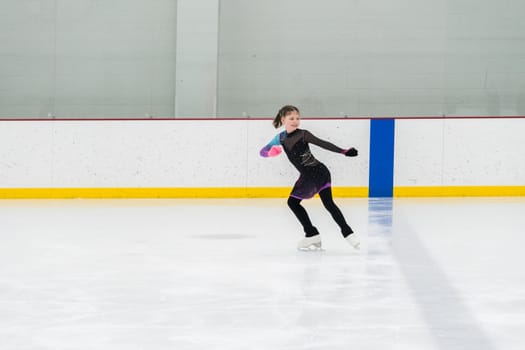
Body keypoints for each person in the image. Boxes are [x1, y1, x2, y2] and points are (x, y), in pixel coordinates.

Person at [259, 105, 360, 250]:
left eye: (297, 118)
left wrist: (344, 151)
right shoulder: (280, 138)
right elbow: (263, 151)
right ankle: (312, 233)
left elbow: (323, 144)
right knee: (293, 203)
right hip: (307, 176)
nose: (295, 121)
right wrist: (271, 153)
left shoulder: (303, 134)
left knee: (328, 204)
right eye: (291, 118)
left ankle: (346, 233)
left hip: (319, 172)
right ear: (283, 119)